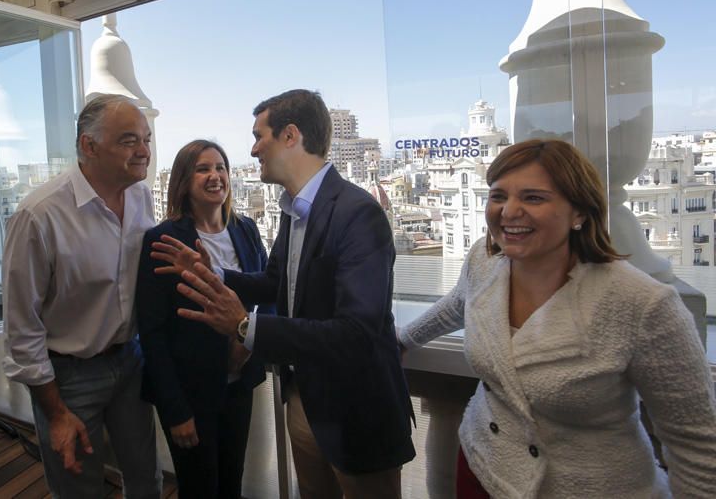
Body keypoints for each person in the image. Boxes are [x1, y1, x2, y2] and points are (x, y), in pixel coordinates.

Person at [397, 139, 716, 498]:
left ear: (579, 212)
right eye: (498, 196)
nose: (508, 211)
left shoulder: (642, 303)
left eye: (533, 198)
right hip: (481, 463)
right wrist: (404, 338)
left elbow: (696, 444)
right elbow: (460, 304)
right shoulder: (484, 261)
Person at [151, 89, 415, 499]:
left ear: (290, 136)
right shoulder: (295, 210)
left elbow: (357, 332)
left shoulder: (356, 212)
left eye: (260, 136)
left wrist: (245, 326)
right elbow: (274, 282)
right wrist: (213, 271)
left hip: (353, 410)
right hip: (303, 398)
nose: (254, 149)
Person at [2, 95, 162, 499]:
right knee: (78, 488)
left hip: (131, 361)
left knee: (146, 480)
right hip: (67, 378)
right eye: (129, 140)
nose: (144, 150)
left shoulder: (142, 197)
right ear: (89, 146)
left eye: (146, 138)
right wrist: (54, 412)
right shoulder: (38, 215)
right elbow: (22, 328)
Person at [136, 140, 270, 498]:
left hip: (238, 384)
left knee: (231, 482)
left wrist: (249, 340)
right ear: (183, 181)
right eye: (203, 169)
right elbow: (152, 332)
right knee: (198, 488)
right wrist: (175, 409)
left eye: (221, 167)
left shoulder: (245, 230)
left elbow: (269, 293)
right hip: (189, 391)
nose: (215, 176)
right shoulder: (163, 239)